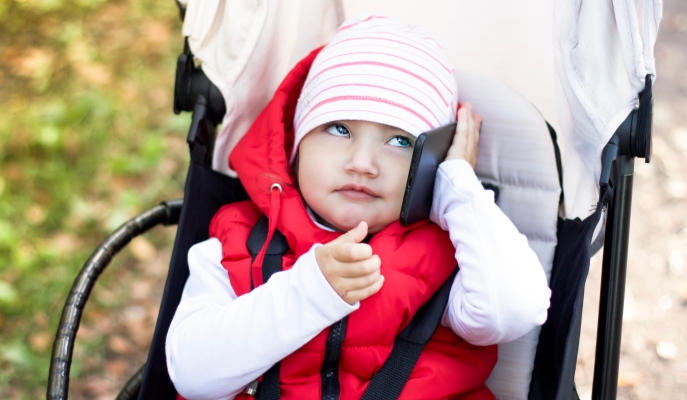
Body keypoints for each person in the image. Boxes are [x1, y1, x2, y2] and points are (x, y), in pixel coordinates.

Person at [166, 15, 551, 400]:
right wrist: (308, 291)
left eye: (400, 141)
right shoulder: (241, 240)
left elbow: (515, 310)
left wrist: (457, 185)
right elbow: (192, 374)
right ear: (297, 147)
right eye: (339, 129)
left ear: (429, 159)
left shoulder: (448, 255)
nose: (363, 163)